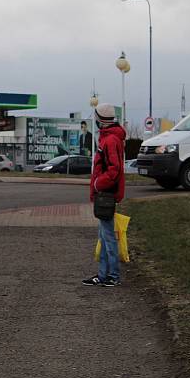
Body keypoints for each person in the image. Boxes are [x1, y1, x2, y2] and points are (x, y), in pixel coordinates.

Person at [83, 103, 126, 287]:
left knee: (108, 237)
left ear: (100, 120)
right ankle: (102, 275)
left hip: (106, 194)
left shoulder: (110, 140)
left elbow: (114, 169)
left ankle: (112, 276)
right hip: (105, 193)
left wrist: (98, 183)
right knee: (103, 236)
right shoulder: (108, 138)